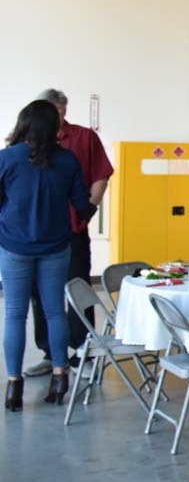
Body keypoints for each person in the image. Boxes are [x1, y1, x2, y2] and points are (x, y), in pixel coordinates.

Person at [1, 100, 96, 410]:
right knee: (55, 310)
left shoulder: (6, 159)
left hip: (14, 247)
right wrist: (88, 211)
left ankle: (14, 386)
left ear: (23, 123)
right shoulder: (67, 161)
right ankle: (60, 377)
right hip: (56, 246)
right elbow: (81, 204)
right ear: (55, 127)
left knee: (15, 314)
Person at [23, 89, 113, 378]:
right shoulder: (30, 142)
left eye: (61, 111)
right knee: (40, 294)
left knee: (78, 288)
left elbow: (101, 175)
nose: (58, 117)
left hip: (73, 228)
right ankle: (51, 353)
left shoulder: (84, 137)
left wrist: (88, 210)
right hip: (37, 233)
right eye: (52, 112)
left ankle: (82, 351)